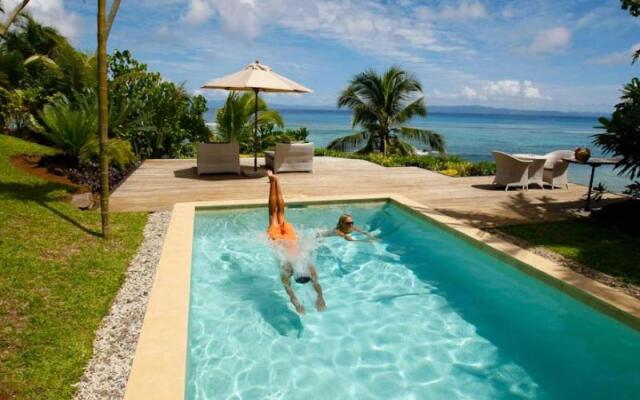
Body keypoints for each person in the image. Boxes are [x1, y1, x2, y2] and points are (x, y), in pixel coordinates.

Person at [266, 170, 325, 314]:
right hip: (278, 239)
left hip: (291, 238)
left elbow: (314, 284)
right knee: (274, 213)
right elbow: (289, 290)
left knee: (281, 213)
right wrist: (300, 303)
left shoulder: (309, 267)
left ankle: (276, 182)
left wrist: (320, 297)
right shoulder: (288, 270)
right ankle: (274, 182)